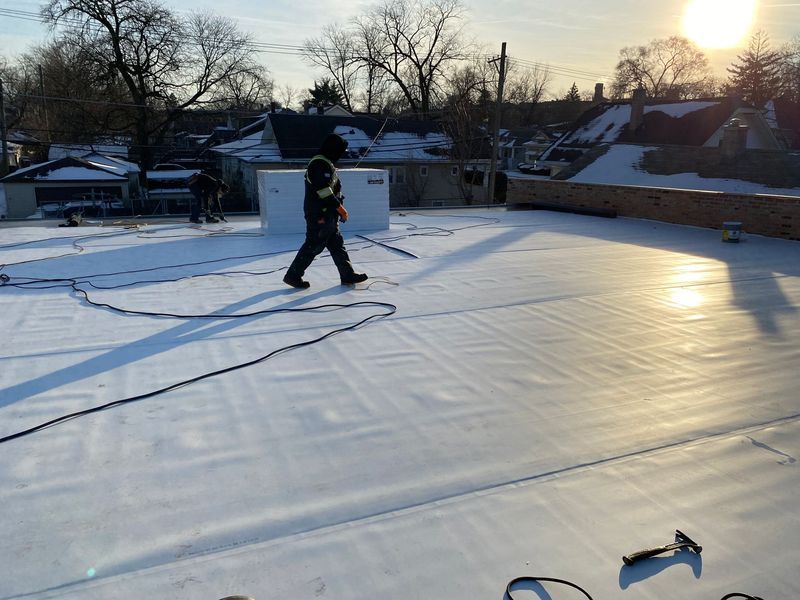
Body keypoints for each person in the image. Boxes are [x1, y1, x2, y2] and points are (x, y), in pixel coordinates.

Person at [283, 133, 368, 289]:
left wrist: (338, 209)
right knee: (314, 244)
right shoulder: (319, 164)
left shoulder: (327, 163)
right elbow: (324, 191)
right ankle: (293, 276)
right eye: (340, 150)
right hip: (319, 215)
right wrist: (341, 209)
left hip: (329, 214)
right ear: (333, 148)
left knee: (337, 245)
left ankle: (347, 275)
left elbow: (334, 191)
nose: (341, 154)